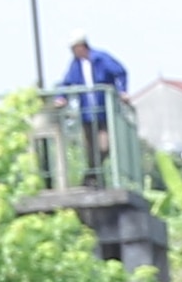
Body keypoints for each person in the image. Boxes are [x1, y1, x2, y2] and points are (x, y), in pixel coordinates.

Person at [55, 33, 128, 181]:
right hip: (86, 114)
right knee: (90, 148)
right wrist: (61, 98)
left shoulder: (101, 58)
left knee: (104, 147)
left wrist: (122, 91)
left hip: (104, 112)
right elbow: (67, 82)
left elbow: (120, 72)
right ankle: (94, 178)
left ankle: (91, 175)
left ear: (82, 46)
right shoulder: (75, 64)